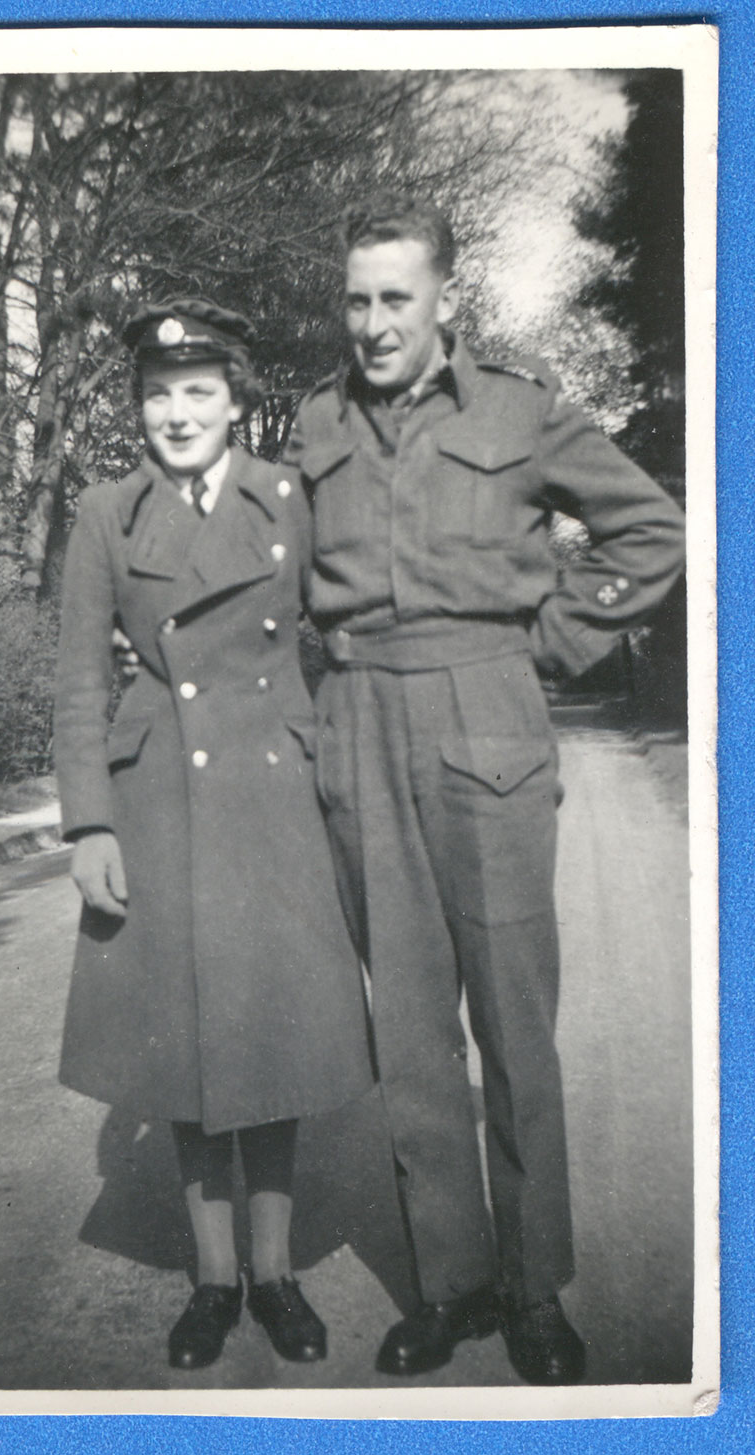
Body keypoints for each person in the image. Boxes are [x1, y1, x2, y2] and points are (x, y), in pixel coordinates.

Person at [282, 194, 687, 1385]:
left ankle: (533, 1289)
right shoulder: (312, 423)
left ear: (443, 299)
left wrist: (542, 652)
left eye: (393, 297)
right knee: (408, 1033)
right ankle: (452, 1287)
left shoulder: (519, 411)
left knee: (513, 1026)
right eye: (354, 299)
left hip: (487, 717)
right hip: (358, 721)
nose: (370, 322)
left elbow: (650, 531)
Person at [52, 297, 374, 1372]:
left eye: (198, 393)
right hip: (159, 799)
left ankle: (275, 1274)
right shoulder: (106, 509)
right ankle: (213, 1279)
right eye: (157, 395)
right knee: (186, 1046)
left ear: (237, 402)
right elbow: (79, 679)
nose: (177, 413)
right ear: (138, 409)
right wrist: (88, 820)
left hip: (275, 790)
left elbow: (343, 632)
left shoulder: (289, 497)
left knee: (271, 1036)